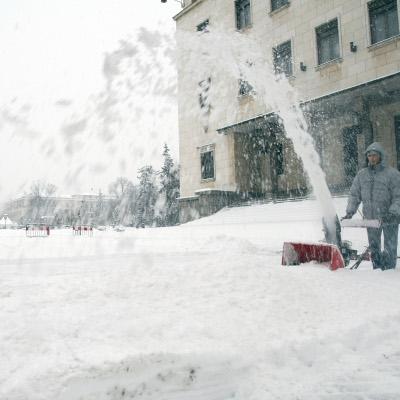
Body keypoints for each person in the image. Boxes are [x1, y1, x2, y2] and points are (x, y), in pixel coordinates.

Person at [343, 142, 400, 270]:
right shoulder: (362, 175)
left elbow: (398, 196)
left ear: (381, 156)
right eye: (369, 156)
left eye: (374, 155)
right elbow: (354, 194)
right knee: (374, 245)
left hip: (389, 218)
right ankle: (377, 267)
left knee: (390, 245)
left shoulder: (392, 174)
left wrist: (393, 212)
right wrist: (350, 211)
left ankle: (389, 268)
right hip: (371, 218)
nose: (372, 158)